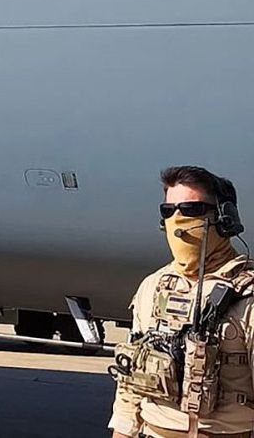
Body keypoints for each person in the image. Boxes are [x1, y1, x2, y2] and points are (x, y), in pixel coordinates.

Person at [109, 166, 254, 437]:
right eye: (169, 211)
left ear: (224, 217)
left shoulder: (248, 294)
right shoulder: (153, 287)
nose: (178, 219)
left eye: (191, 210)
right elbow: (129, 386)